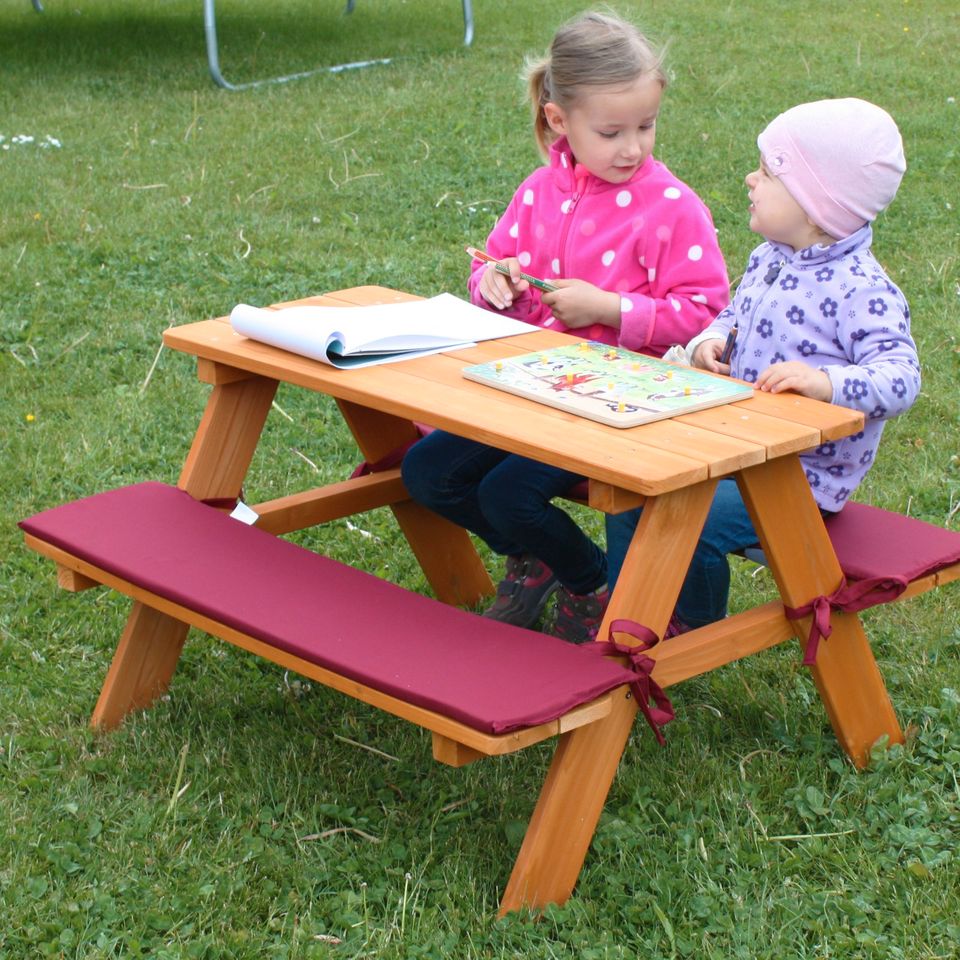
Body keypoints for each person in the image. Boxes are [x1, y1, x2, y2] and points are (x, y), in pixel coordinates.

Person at [401, 10, 729, 643]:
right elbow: (496, 267)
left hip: (615, 406)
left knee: (506, 496)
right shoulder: (537, 193)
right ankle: (539, 558)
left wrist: (610, 310)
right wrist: (496, 284)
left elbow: (707, 313)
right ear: (560, 121)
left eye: (646, 126)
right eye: (611, 132)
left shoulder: (672, 207)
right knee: (427, 474)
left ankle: (589, 582)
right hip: (523, 385)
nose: (632, 147)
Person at [606, 97, 921, 633]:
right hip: (734, 444)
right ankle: (623, 615)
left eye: (769, 171)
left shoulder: (863, 291)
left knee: (687, 520)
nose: (751, 179)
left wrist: (827, 383)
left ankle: (689, 626)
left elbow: (901, 377)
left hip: (797, 479)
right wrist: (712, 340)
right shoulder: (770, 256)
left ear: (815, 202)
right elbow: (734, 313)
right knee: (632, 490)